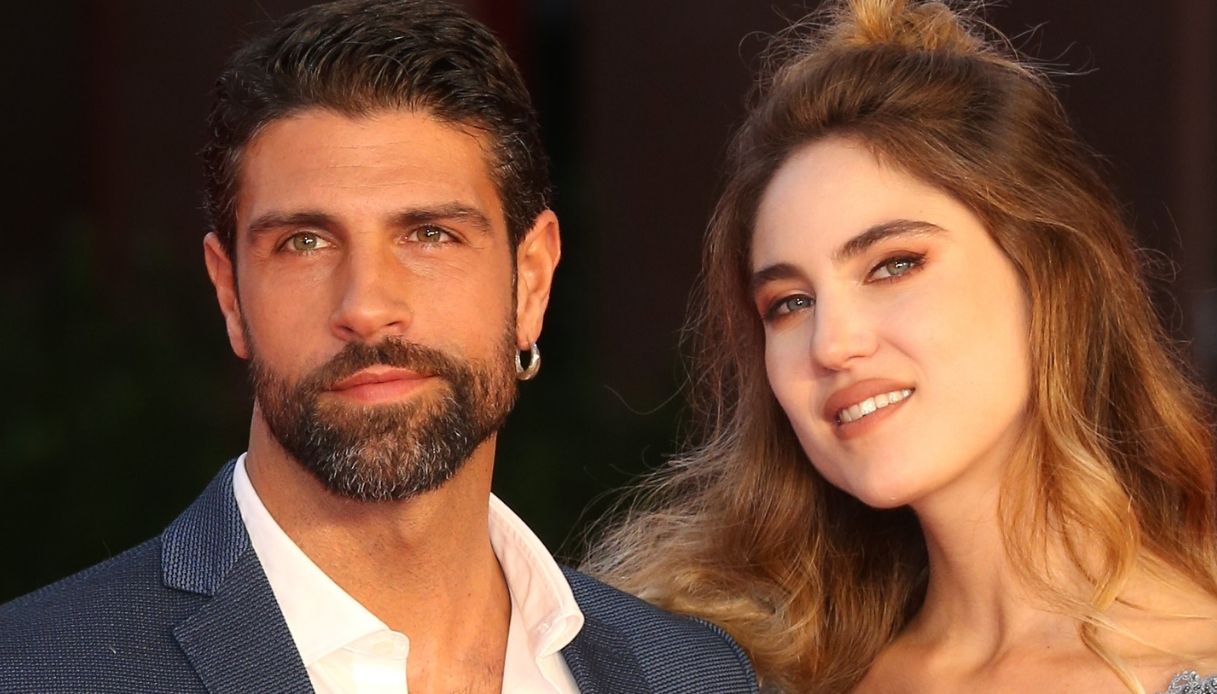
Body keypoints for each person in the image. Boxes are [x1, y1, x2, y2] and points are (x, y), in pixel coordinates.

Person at [0, 1, 758, 692]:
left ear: (530, 282)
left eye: (429, 234)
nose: (366, 308)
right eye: (303, 242)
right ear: (230, 294)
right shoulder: (37, 671)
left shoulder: (695, 677)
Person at [587, 0, 1217, 692]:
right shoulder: (738, 675)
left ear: (1047, 276)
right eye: (790, 303)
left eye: (893, 265)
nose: (832, 343)